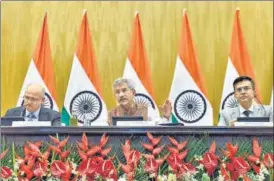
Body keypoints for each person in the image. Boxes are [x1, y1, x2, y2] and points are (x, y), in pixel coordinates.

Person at [108, 78, 172, 126]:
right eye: (117, 92)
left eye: (124, 90)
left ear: (133, 92)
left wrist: (166, 117)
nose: (121, 95)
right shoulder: (111, 114)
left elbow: (160, 128)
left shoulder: (147, 111)